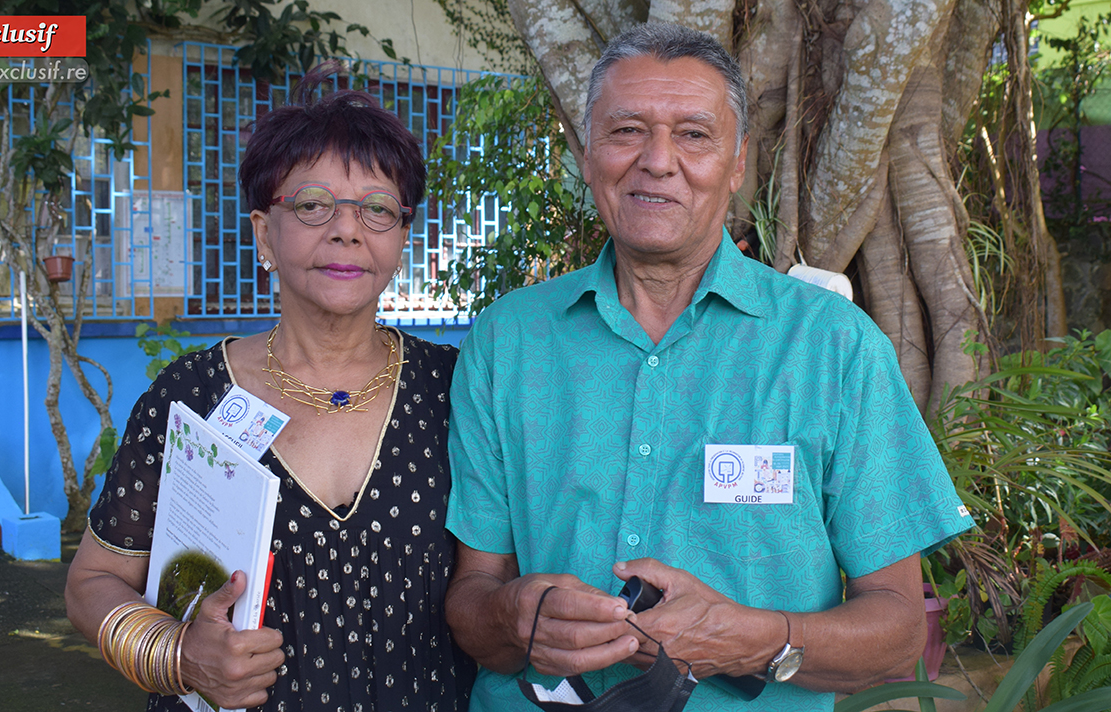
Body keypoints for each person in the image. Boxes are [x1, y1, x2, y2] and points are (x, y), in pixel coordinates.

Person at [443, 23, 974, 712]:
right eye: (627, 130)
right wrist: (517, 616)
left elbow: (898, 631)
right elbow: (471, 600)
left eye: (693, 134)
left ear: (736, 163)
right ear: (586, 152)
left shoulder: (835, 350)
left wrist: (755, 640)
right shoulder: (508, 340)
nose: (657, 161)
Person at [66, 64, 475, 712]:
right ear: (264, 232)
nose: (347, 229)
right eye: (313, 204)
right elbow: (94, 581)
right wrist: (178, 656)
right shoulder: (190, 398)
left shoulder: (455, 390)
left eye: (377, 208)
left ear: (401, 235)